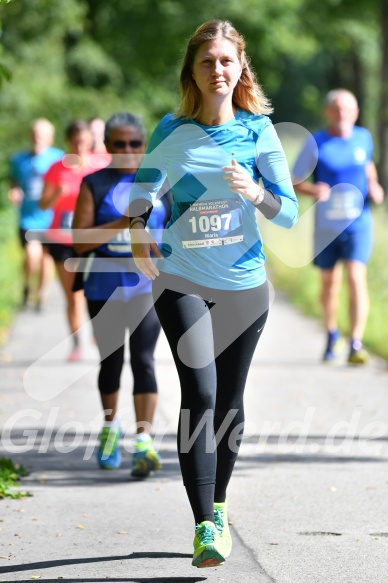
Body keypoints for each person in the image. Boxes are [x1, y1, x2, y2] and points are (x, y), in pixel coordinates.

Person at [128, 20, 298, 569]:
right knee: (199, 394)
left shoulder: (258, 133)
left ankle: (218, 507)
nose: (218, 70)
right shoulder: (171, 130)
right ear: (193, 72)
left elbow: (289, 212)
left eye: (226, 61)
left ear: (239, 68)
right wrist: (137, 233)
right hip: (180, 280)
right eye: (207, 62)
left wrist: (256, 192)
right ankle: (204, 524)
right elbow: (139, 194)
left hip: (244, 286)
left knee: (228, 402)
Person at [72, 112, 169, 476]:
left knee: (144, 359)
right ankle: (110, 431)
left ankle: (143, 442)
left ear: (145, 146)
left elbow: (175, 236)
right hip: (104, 286)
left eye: (135, 143)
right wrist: (123, 222)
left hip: (148, 287)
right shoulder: (94, 184)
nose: (128, 150)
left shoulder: (160, 182)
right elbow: (80, 244)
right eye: (120, 143)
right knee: (111, 362)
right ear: (108, 146)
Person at [293, 89, 384, 364]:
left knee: (357, 279)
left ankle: (355, 342)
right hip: (326, 226)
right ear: (328, 112)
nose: (342, 114)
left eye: (347, 109)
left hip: (359, 223)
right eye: (336, 109)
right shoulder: (316, 143)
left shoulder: (363, 138)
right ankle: (332, 333)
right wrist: (312, 190)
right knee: (329, 284)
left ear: (355, 113)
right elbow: (294, 182)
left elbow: (367, 165)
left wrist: (374, 185)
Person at [40, 119, 107, 361]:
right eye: (75, 142)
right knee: (72, 295)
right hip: (62, 239)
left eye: (84, 142)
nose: (80, 147)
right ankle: (77, 343)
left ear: (90, 141)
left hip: (91, 239)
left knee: (95, 290)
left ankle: (99, 332)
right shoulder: (56, 168)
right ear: (67, 142)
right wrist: (56, 194)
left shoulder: (101, 166)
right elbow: (42, 204)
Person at [8, 118, 63, 310]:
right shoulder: (19, 159)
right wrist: (14, 191)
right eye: (35, 133)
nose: (37, 137)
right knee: (33, 255)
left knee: (46, 259)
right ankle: (26, 286)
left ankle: (41, 295)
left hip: (52, 219)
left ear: (50, 138)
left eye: (42, 134)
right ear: (30, 135)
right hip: (28, 218)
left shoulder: (59, 158)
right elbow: (14, 182)